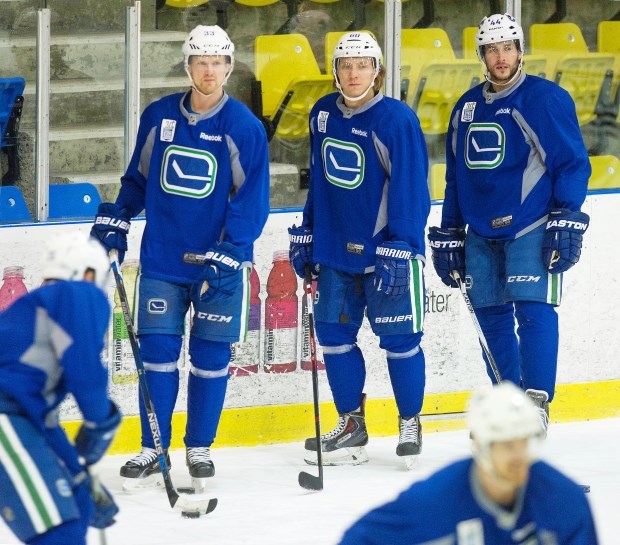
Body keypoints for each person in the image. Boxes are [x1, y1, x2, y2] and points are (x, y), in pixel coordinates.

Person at [90, 24, 270, 490]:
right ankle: (154, 447)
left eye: (217, 63)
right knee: (157, 357)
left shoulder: (244, 128)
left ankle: (199, 447)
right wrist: (119, 215)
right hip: (164, 262)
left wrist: (234, 251)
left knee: (210, 359)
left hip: (219, 268)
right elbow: (138, 179)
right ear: (187, 65)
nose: (209, 71)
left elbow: (251, 201)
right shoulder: (159, 117)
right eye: (200, 62)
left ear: (228, 67)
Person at [427, 13, 591, 437]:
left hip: (531, 224)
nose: (501, 58)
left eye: (507, 48)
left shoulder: (544, 98)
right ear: (482, 56)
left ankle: (536, 403)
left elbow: (572, 162)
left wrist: (567, 216)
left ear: (520, 50)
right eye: (491, 50)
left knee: (534, 312)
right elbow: (457, 175)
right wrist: (450, 231)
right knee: (491, 319)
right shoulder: (466, 107)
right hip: (480, 231)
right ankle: (508, 404)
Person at [289, 31, 430, 468]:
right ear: (335, 71)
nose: (353, 73)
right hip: (334, 252)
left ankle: (410, 422)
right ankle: (352, 424)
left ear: (377, 71)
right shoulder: (322, 114)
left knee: (401, 340)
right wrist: (308, 231)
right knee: (333, 339)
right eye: (346, 65)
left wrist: (402, 244)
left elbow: (412, 190)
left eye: (362, 65)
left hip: (386, 252)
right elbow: (320, 181)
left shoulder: (397, 120)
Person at [338, 382, 599, 544]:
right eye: (508, 445)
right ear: (481, 445)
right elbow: (360, 539)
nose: (519, 455)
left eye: (525, 442)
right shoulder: (434, 501)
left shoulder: (564, 500)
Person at [0, 233, 121, 545]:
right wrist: (100, 421)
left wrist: (80, 478)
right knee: (58, 531)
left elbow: (43, 424)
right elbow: (85, 370)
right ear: (89, 274)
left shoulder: (41, 310)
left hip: (17, 420)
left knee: (78, 504)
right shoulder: (77, 294)